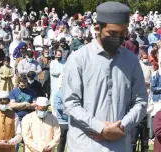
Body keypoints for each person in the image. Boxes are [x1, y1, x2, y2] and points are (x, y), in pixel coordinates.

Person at [62, 2, 148, 152]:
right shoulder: (78, 59)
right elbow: (70, 103)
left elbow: (140, 101)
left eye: (123, 34)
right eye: (113, 34)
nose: (119, 39)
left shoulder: (132, 61)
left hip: (120, 145)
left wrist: (121, 127)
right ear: (97, 28)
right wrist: (101, 128)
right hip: (85, 145)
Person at [54, 73, 68, 152]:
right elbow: (58, 106)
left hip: (72, 122)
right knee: (61, 143)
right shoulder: (58, 93)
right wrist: (69, 108)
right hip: (62, 122)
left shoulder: (73, 92)